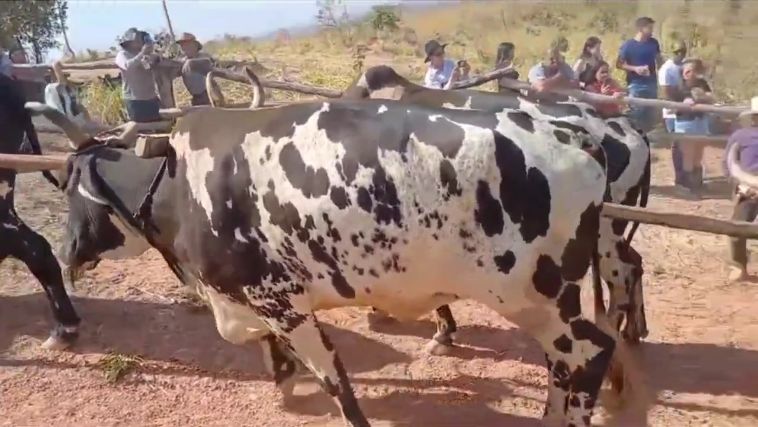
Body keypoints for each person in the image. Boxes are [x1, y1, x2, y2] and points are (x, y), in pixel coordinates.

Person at [724, 97, 758, 281]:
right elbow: (729, 165)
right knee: (736, 228)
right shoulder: (740, 136)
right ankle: (738, 266)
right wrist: (742, 186)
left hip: (750, 186)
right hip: (748, 189)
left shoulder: (739, 136)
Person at [671, 59, 714, 197]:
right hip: (685, 122)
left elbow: (711, 98)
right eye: (686, 70)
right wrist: (684, 103)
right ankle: (685, 186)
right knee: (687, 155)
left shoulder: (702, 84)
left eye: (691, 70)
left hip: (700, 120)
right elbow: (672, 105)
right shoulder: (678, 86)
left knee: (698, 154)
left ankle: (697, 183)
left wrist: (702, 97)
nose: (687, 73)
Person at [616, 16, 663, 132]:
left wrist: (663, 67)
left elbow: (659, 59)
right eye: (650, 28)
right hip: (635, 84)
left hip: (652, 83)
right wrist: (635, 68)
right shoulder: (628, 45)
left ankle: (649, 142)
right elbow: (619, 64)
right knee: (637, 114)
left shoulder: (654, 43)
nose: (652, 31)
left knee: (650, 114)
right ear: (641, 29)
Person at [115, 27, 161, 122]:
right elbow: (127, 66)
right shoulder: (122, 54)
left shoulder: (145, 55)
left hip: (151, 97)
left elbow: (150, 67)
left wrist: (153, 57)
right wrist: (141, 54)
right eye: (138, 39)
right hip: (135, 99)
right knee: (141, 130)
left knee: (157, 126)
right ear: (130, 41)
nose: (141, 41)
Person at [659, 40, 688, 186]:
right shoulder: (667, 69)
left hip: (684, 109)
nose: (681, 54)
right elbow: (666, 92)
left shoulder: (684, 66)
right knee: (677, 144)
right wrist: (680, 103)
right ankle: (679, 177)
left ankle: (687, 174)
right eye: (678, 52)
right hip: (672, 111)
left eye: (682, 51)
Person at [176, 32, 214, 106]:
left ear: (195, 45)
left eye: (186, 44)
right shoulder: (182, 62)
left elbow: (208, 62)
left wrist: (191, 63)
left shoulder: (204, 56)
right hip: (196, 97)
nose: (183, 47)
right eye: (182, 45)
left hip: (209, 95)